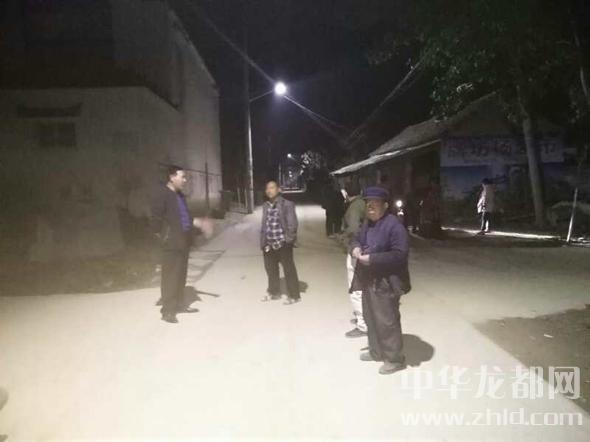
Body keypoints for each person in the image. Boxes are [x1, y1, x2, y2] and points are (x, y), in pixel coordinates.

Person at [350, 186, 411, 375]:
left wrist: (373, 259)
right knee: (370, 317)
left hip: (386, 282)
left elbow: (400, 254)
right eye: (368, 203)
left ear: (385, 206)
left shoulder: (394, 226)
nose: (370, 207)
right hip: (368, 279)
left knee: (387, 321)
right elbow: (356, 239)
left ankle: (395, 359)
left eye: (375, 203)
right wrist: (355, 248)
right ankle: (376, 351)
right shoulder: (368, 223)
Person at [151, 165, 213, 323]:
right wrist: (162, 236)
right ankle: (168, 311)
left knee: (180, 275)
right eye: (182, 177)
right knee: (170, 277)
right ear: (172, 177)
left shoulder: (179, 195)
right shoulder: (163, 194)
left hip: (183, 241)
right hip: (171, 243)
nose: (185, 180)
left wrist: (197, 223)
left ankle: (179, 304)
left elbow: (184, 217)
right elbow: (155, 219)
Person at [260, 181, 301, 305]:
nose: (269, 190)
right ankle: (274, 293)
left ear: (278, 189)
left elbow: (292, 224)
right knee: (271, 270)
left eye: (272, 188)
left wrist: (287, 241)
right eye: (267, 188)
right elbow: (265, 225)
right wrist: (263, 242)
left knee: (289, 270)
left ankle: (294, 295)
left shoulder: (287, 204)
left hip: (283, 243)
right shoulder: (265, 205)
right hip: (269, 243)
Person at [341, 182, 367, 338]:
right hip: (366, 250)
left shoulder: (354, 208)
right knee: (364, 287)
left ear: (346, 193)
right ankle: (366, 318)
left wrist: (347, 243)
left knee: (355, 289)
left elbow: (353, 230)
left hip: (356, 250)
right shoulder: (363, 203)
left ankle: (362, 325)